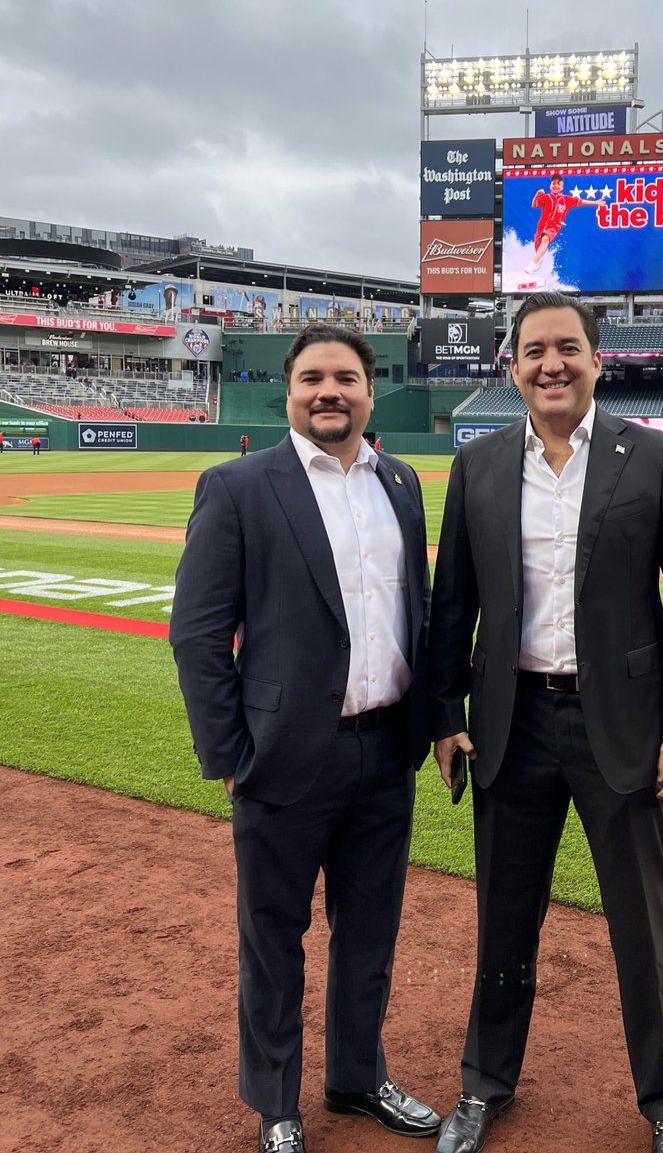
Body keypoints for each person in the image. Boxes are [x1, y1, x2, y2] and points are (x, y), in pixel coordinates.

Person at [429, 292, 663, 1153]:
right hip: (511, 728)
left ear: (598, 359)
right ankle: (485, 1086)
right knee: (504, 919)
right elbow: (454, 611)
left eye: (567, 349)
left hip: (620, 729)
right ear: (511, 366)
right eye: (533, 351)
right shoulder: (476, 465)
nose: (550, 364)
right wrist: (446, 717)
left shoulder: (655, 457)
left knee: (643, 926)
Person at [170, 323, 440, 1153]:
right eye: (314, 377)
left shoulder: (400, 482)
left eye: (348, 378)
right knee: (273, 938)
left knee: (369, 936)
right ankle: (277, 1104)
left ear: (369, 391)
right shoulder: (239, 486)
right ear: (289, 391)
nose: (331, 391)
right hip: (283, 756)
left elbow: (416, 619)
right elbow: (198, 633)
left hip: (384, 751)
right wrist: (230, 755)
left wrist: (431, 725)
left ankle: (358, 1077)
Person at [523, 174, 602, 276]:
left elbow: (581, 202)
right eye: (554, 183)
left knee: (545, 239)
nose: (556, 185)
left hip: (554, 227)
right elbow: (534, 205)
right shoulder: (546, 197)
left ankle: (532, 265)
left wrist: (595, 203)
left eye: (559, 184)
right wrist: (537, 195)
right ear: (550, 186)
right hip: (541, 227)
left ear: (562, 187)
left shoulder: (566, 200)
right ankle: (538, 260)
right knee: (539, 248)